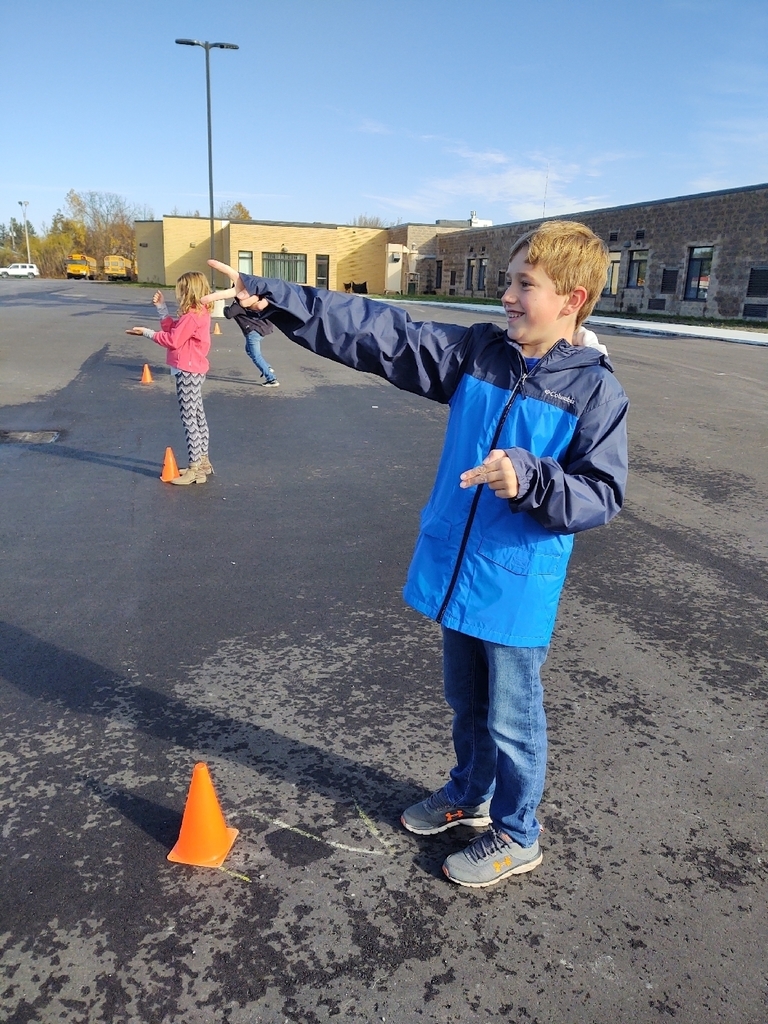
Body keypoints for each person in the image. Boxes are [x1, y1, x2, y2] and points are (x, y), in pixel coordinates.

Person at [204, 220, 629, 888]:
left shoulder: (596, 392)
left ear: (572, 300)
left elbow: (602, 493)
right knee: (467, 703)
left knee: (514, 720)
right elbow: (382, 334)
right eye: (508, 282)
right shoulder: (480, 355)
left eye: (525, 285)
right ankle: (469, 793)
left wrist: (531, 477)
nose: (508, 298)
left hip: (516, 586)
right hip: (461, 573)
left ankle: (518, 834)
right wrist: (276, 298)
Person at [127, 272, 214, 484]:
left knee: (189, 419)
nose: (179, 295)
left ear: (188, 292)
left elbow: (173, 340)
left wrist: (147, 333)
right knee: (197, 415)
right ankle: (203, 461)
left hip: (187, 371)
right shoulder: (198, 313)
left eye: (181, 290)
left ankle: (196, 469)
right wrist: (162, 309)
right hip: (194, 370)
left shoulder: (192, 316)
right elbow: (174, 329)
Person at [224, 299, 280, 386]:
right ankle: (266, 367)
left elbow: (229, 314)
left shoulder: (238, 304)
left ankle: (271, 379)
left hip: (253, 332)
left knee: (256, 356)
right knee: (249, 350)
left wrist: (226, 308)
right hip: (260, 329)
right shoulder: (250, 300)